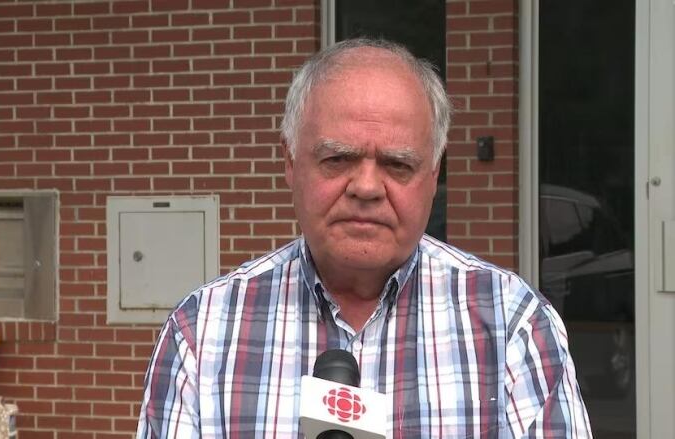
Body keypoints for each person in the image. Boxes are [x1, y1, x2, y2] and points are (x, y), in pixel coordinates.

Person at [136, 38, 592, 438]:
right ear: (291, 163)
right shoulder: (203, 332)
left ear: (433, 175)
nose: (367, 187)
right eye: (338, 159)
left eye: (397, 165)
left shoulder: (512, 325)